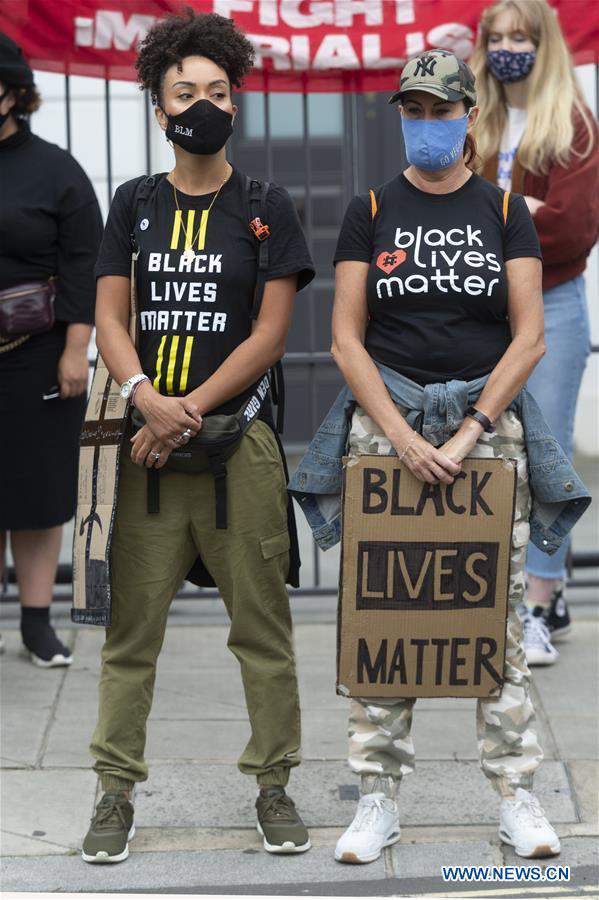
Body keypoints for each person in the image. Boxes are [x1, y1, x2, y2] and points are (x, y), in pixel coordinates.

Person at [290, 48, 589, 866]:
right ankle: (376, 798)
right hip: (384, 431)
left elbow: (528, 336)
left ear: (468, 119)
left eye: (439, 112)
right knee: (384, 613)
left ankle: (514, 795)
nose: (425, 126)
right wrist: (398, 432)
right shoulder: (369, 209)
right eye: (412, 112)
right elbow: (344, 337)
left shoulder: (502, 211)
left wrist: (463, 433)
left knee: (490, 616)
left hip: (482, 438)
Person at [79, 10, 315, 865]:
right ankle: (113, 793)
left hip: (234, 450)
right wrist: (146, 396)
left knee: (263, 628)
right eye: (185, 92)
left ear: (236, 102)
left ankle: (274, 784)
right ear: (158, 106)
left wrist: (182, 412)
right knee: (129, 637)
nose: (202, 105)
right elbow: (109, 317)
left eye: (218, 91)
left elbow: (268, 335)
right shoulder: (132, 204)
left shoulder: (264, 206)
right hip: (146, 455)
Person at [470, 0, 599, 666]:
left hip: (553, 300)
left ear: (542, 43)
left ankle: (538, 603)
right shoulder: (473, 115)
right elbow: (450, 207)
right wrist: (519, 211)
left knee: (542, 451)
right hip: (483, 309)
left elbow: (574, 226)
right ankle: (514, 590)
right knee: (490, 447)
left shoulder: (572, 120)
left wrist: (500, 222)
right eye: (497, 37)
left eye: (520, 36)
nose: (508, 47)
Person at [0, 33, 102, 666]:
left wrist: (75, 350)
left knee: (36, 496)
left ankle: (36, 624)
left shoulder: (56, 169)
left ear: (13, 93)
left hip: (37, 352)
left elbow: (86, 264)